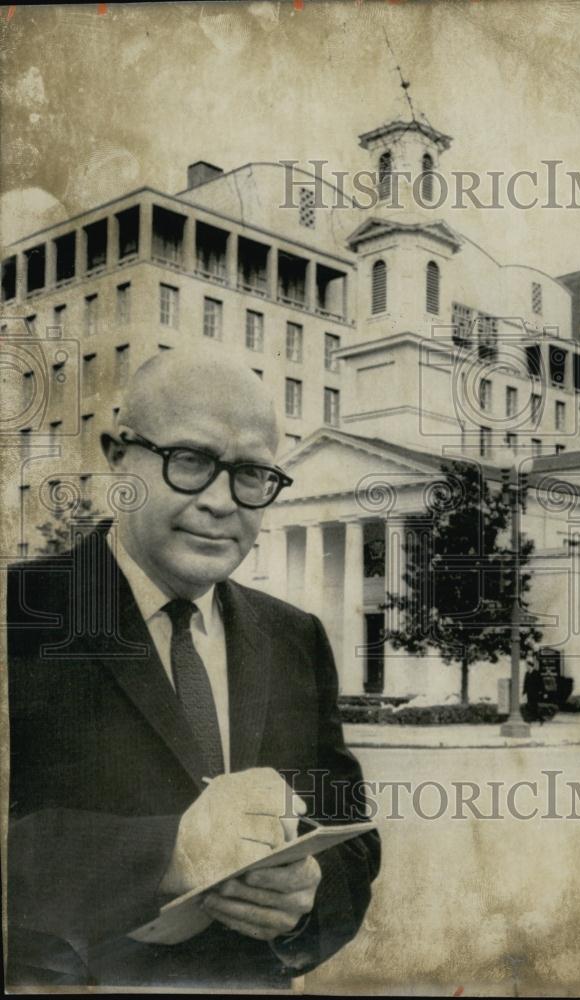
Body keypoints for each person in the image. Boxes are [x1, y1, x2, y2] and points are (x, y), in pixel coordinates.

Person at [5, 346, 381, 989]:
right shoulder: (19, 616)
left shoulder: (296, 639)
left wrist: (304, 899)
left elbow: (351, 838)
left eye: (252, 475)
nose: (221, 502)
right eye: (190, 461)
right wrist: (164, 856)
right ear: (119, 457)